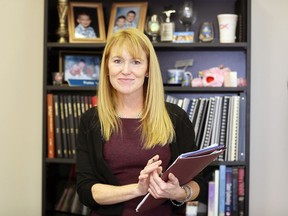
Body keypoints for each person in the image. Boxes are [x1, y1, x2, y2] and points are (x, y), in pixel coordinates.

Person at [76, 28, 203, 215]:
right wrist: (138, 189)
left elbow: (197, 182)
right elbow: (86, 190)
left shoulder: (176, 117)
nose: (125, 71)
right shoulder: (91, 120)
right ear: (107, 68)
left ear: (148, 70)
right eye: (118, 61)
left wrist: (179, 193)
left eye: (136, 62)